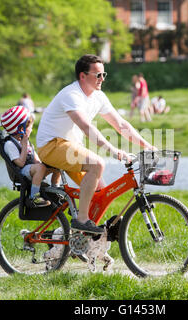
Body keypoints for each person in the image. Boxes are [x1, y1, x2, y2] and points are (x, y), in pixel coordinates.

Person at [36, 54, 156, 234]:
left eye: (103, 75)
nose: (102, 79)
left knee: (101, 193)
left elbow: (121, 124)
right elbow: (86, 126)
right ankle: (81, 220)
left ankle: (80, 239)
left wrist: (147, 146)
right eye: (97, 75)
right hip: (52, 146)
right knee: (97, 163)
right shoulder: (72, 94)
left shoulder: (98, 96)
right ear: (83, 76)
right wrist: (113, 150)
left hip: (70, 147)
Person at [1, 105, 61, 208]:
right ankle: (34, 197)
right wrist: (24, 146)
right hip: (22, 172)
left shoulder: (25, 142)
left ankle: (55, 191)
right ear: (21, 129)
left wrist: (48, 162)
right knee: (41, 168)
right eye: (30, 127)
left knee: (56, 166)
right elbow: (20, 163)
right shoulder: (10, 144)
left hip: (33, 169)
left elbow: (36, 161)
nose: (31, 130)